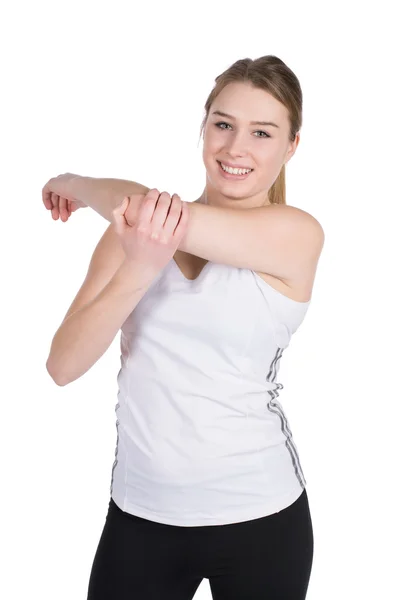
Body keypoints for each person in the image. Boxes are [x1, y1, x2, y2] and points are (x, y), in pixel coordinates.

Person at [44, 55, 324, 599]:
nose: (236, 148)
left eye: (262, 132)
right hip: (139, 515)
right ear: (203, 127)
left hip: (261, 516)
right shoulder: (134, 237)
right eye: (223, 124)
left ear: (291, 146)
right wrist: (140, 270)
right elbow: (62, 366)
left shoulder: (295, 234)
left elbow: (146, 208)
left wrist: (74, 183)